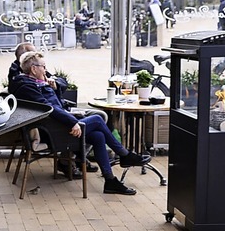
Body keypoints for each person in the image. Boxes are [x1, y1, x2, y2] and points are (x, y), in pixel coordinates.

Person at [9, 51, 151, 195]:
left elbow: (57, 105)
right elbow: (49, 109)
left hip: (57, 126)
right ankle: (124, 154)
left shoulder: (34, 83)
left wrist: (54, 89)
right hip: (53, 133)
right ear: (34, 69)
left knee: (98, 136)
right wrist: (72, 123)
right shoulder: (27, 87)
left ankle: (110, 181)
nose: (46, 70)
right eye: (43, 67)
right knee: (97, 119)